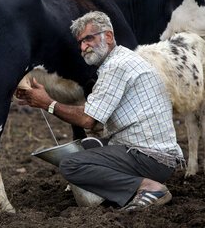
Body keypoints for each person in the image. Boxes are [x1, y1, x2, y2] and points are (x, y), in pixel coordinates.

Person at [16, 11, 184, 210]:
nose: (84, 47)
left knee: (71, 165)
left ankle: (149, 188)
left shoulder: (117, 66)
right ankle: (118, 192)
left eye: (89, 38)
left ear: (109, 37)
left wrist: (47, 103)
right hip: (152, 153)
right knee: (89, 144)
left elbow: (88, 119)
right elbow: (95, 121)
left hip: (149, 158)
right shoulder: (121, 60)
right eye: (80, 42)